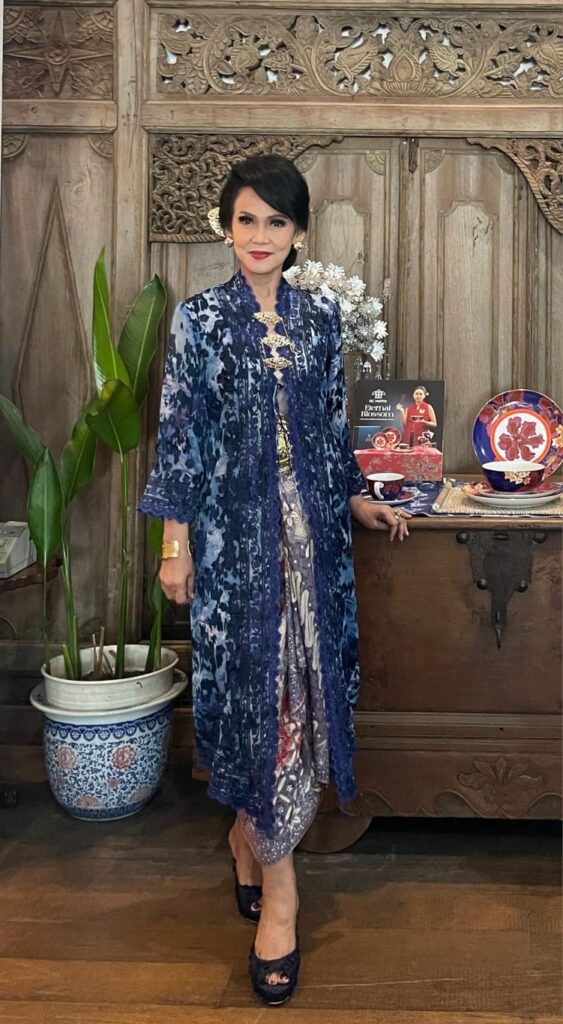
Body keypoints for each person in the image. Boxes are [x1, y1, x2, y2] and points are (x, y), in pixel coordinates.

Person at [138, 154, 410, 1006]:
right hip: (233, 547)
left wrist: (358, 497)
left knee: (298, 699)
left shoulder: (319, 318)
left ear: (298, 233)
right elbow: (179, 437)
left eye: (276, 222)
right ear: (227, 227)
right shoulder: (199, 321)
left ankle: (258, 851)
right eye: (246, 219)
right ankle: (279, 888)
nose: (260, 236)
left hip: (313, 542)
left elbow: (328, 424)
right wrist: (174, 546)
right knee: (251, 699)